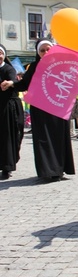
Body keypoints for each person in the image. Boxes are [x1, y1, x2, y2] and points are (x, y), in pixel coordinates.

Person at [1, 39, 75, 181]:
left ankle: (59, 169)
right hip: (40, 108)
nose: (46, 52)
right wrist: (12, 83)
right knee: (44, 139)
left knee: (59, 137)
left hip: (57, 106)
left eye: (48, 49)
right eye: (42, 50)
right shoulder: (34, 66)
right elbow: (24, 84)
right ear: (38, 53)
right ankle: (48, 171)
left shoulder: (62, 64)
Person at [0, 44, 24, 179]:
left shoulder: (9, 69)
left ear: (4, 55)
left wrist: (10, 83)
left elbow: (14, 81)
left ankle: (6, 166)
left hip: (8, 107)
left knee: (7, 136)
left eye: (0, 53)